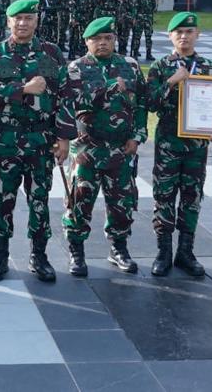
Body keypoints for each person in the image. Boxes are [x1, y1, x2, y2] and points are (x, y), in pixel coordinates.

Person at [0, 0, 66, 282]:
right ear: (8, 21)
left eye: (28, 18)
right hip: (7, 139)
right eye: (17, 18)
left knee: (39, 199)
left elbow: (62, 95)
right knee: (3, 199)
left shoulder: (51, 53)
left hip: (41, 139)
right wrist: (24, 89)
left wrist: (64, 137)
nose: (22, 23)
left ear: (36, 21)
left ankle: (39, 256)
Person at [57, 16, 146, 276]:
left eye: (108, 38)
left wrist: (137, 135)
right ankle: (77, 251)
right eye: (97, 39)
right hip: (87, 149)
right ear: (87, 41)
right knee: (79, 200)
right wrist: (106, 89)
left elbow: (140, 103)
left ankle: (118, 247)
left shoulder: (129, 65)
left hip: (121, 148)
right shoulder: (76, 68)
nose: (103, 43)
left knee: (122, 201)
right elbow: (73, 102)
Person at [145, 12, 212, 277]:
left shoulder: (210, 67)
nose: (184, 36)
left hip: (197, 147)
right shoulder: (160, 66)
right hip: (168, 145)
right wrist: (172, 81)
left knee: (192, 198)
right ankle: (163, 252)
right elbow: (150, 104)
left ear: (197, 34)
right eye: (178, 32)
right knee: (164, 198)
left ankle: (185, 252)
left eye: (189, 32)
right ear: (170, 37)